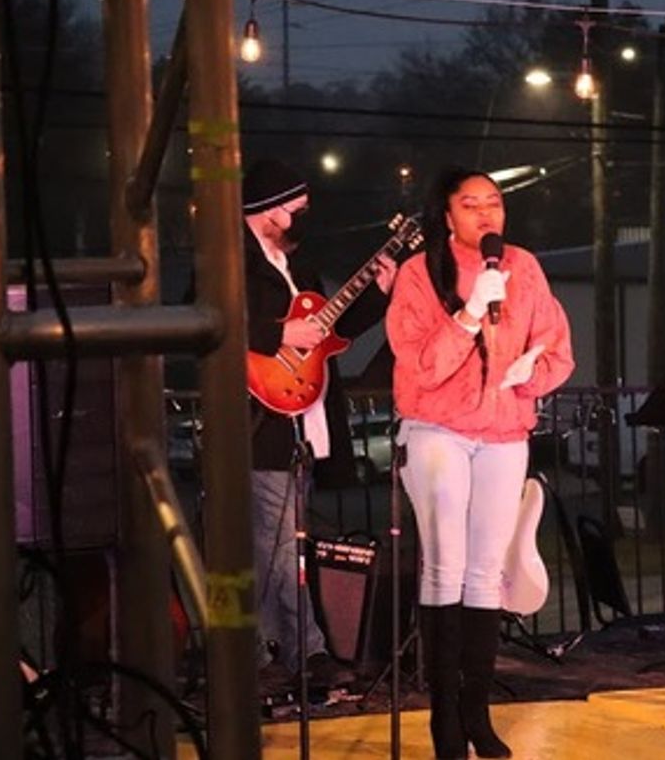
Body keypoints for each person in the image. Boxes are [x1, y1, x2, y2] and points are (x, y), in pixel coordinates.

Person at [385, 168, 574, 760]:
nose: (487, 215)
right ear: (447, 217)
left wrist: (531, 375)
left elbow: (558, 349)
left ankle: (476, 711)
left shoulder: (526, 267)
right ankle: (443, 717)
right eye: (471, 205)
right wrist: (469, 315)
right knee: (446, 568)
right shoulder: (419, 274)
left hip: (503, 430)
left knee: (487, 573)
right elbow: (419, 366)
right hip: (437, 429)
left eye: (494, 203)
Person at [240, 158, 397, 692]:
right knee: (281, 545)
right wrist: (279, 336)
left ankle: (262, 650)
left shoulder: (298, 269)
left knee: (278, 545)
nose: (306, 217)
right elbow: (213, 317)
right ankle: (307, 650)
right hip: (260, 422)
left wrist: (378, 291)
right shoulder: (228, 263)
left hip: (304, 422)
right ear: (267, 212)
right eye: (297, 209)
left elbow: (328, 330)